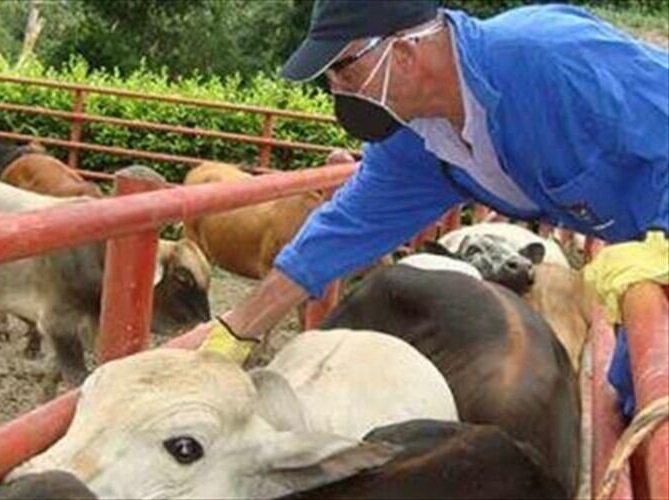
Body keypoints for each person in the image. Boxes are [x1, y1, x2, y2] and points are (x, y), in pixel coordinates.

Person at [194, 0, 669, 363]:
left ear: (401, 52)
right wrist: (238, 331)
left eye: (342, 66)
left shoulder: (551, 58)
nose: (336, 87)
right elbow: (341, 231)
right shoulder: (419, 142)